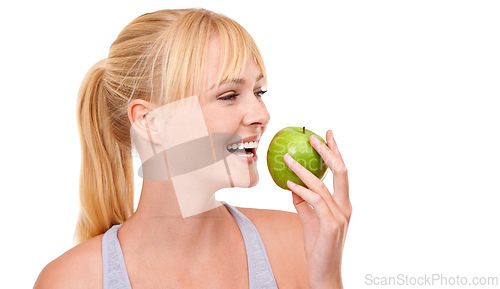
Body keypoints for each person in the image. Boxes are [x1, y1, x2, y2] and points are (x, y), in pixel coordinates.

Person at [33, 8, 351, 289]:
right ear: (149, 121)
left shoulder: (297, 243)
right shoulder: (71, 281)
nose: (261, 115)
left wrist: (326, 281)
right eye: (228, 96)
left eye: (258, 91)